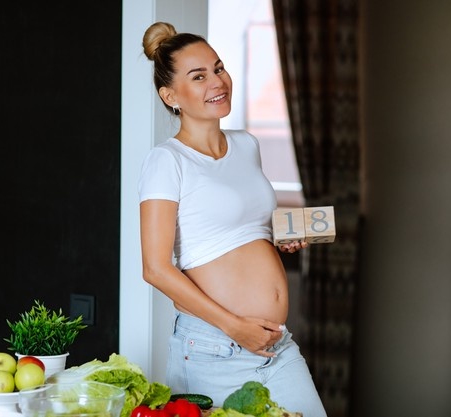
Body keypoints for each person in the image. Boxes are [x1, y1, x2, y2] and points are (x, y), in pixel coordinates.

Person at [138, 22, 327, 417]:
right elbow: (155, 269)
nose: (217, 81)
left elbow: (239, 228)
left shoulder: (247, 145)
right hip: (213, 348)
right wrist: (232, 326)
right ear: (170, 96)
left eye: (218, 67)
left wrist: (278, 237)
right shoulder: (166, 161)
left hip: (276, 345)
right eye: (199, 76)